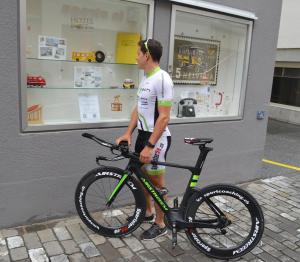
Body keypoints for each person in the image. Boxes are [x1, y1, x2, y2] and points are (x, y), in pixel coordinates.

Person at [116, 39, 174, 240]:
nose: (135, 57)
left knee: (157, 183)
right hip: (143, 134)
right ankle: (147, 213)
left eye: (138, 53)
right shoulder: (146, 78)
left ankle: (161, 223)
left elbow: (164, 117)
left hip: (156, 138)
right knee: (140, 176)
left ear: (147, 55)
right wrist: (127, 133)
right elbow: (139, 108)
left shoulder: (162, 78)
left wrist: (150, 146)